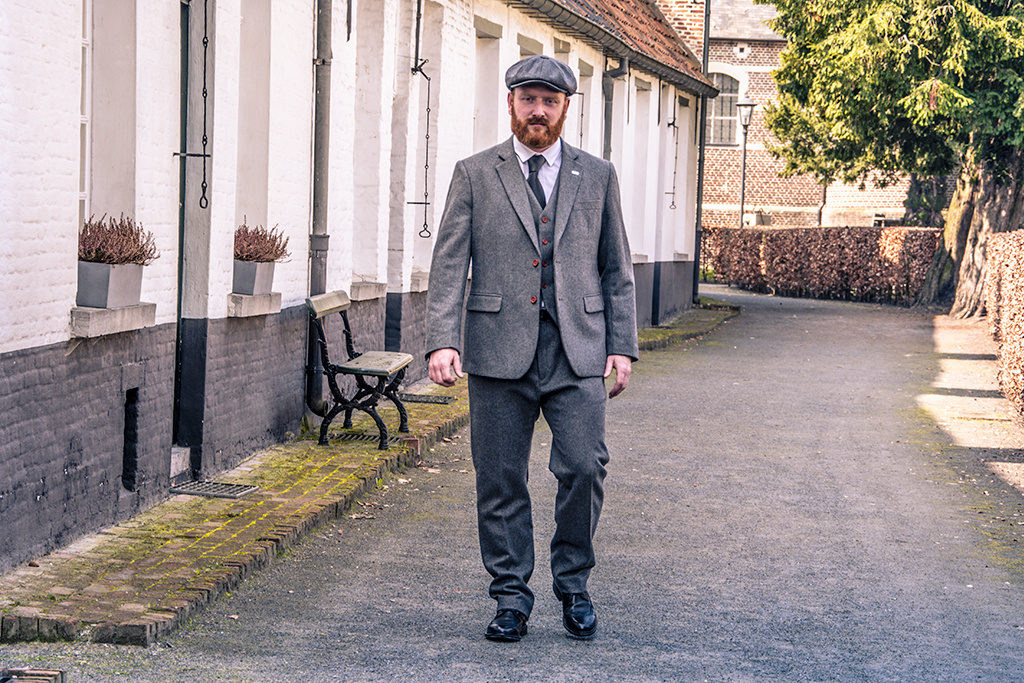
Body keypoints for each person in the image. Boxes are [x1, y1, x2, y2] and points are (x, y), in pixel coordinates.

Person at [425, 54, 638, 641]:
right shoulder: (474, 173)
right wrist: (443, 339)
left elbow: (615, 268)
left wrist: (622, 346)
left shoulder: (596, 176)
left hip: (579, 350)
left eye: (549, 100)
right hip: (497, 349)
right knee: (499, 478)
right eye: (527, 99)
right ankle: (511, 597)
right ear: (512, 104)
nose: (537, 109)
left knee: (584, 465)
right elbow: (449, 263)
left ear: (566, 107)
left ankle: (573, 583)